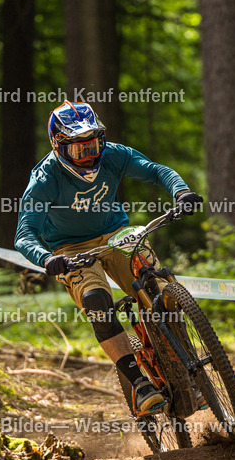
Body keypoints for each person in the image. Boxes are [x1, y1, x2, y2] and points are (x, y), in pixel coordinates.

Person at [14, 101, 203, 416]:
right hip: (70, 250)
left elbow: (156, 171)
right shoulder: (45, 178)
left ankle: (191, 371)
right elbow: (24, 235)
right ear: (59, 147)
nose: (89, 155)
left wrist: (180, 192)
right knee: (97, 301)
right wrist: (47, 259)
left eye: (94, 144)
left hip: (116, 235)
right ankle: (138, 383)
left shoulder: (114, 155)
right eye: (79, 150)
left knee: (157, 286)